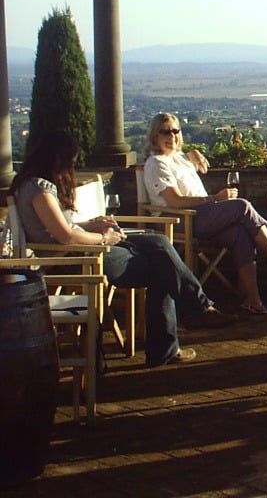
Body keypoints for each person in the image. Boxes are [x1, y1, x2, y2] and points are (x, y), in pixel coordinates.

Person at [12, 131, 235, 366]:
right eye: (72, 162)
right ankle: (186, 324)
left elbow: (61, 226)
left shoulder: (34, 184)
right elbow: (64, 236)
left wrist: (93, 224)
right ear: (57, 158)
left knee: (158, 243)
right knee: (164, 269)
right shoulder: (39, 189)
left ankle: (196, 310)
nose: (72, 168)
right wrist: (103, 238)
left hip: (80, 247)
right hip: (74, 256)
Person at [142, 113, 267, 315]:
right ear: (155, 136)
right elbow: (175, 201)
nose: (171, 136)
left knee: (239, 235)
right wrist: (216, 198)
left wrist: (194, 153)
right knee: (241, 206)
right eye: (165, 131)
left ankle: (252, 300)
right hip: (180, 219)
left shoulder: (178, 159)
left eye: (175, 131)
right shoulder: (156, 163)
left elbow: (187, 162)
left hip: (201, 216)